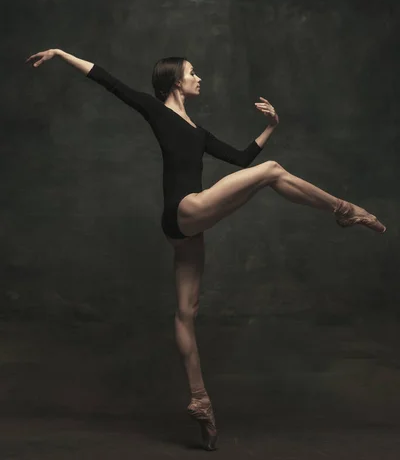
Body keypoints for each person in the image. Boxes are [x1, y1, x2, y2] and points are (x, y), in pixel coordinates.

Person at [25, 48, 386, 451]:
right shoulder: (156, 110)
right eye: (193, 73)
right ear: (176, 81)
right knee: (272, 172)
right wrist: (60, 53)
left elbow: (240, 158)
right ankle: (343, 209)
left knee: (185, 312)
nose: (199, 77)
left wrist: (271, 127)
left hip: (183, 231)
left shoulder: (197, 132)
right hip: (185, 210)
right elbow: (106, 78)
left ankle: (200, 400)